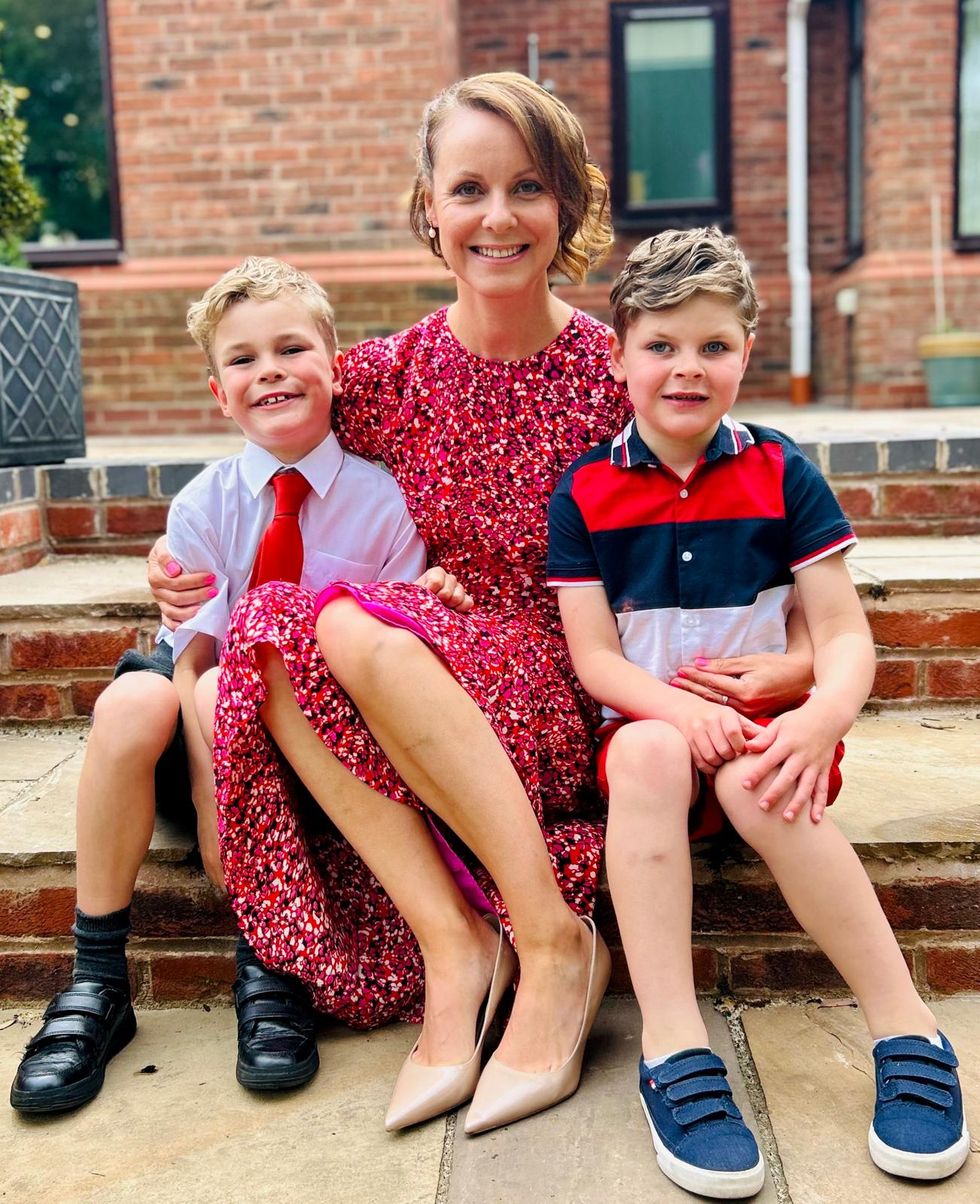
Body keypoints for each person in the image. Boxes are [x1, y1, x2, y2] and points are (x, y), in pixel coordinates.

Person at [147, 73, 814, 1135]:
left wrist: (803, 655)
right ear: (429, 207)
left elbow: (753, 506)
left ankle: (551, 942)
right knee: (271, 629)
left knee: (334, 619)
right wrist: (177, 557)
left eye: (526, 188)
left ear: (567, 206)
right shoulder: (386, 375)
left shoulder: (620, 370)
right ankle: (453, 944)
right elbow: (261, 435)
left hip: (571, 677)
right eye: (467, 188)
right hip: (428, 660)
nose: (496, 217)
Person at [548, 227, 970, 1196]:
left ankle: (904, 1023)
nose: (684, 368)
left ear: (744, 354)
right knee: (651, 754)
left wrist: (819, 715)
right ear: (616, 357)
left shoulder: (782, 473)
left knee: (752, 774)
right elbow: (592, 659)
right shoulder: (583, 491)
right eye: (659, 345)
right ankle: (672, 1046)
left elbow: (844, 634)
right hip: (648, 729)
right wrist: (671, 713)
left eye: (711, 346)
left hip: (761, 736)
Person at [9, 256, 478, 1113]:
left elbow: (388, 655)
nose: (269, 370)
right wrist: (217, 801)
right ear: (219, 395)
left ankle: (271, 961)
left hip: (319, 741)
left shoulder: (384, 505)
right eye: (242, 359)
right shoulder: (203, 505)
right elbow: (196, 666)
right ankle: (97, 980)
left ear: (335, 369)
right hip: (199, 726)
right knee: (130, 697)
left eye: (292, 347)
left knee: (272, 679)